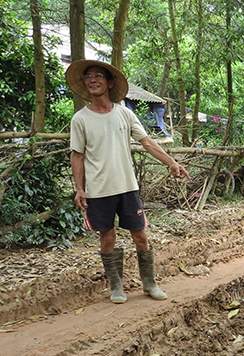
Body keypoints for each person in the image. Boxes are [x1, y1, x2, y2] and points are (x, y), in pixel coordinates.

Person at [66, 59, 190, 304]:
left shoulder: (125, 114)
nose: (92, 79)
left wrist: (172, 163)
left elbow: (147, 142)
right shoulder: (80, 119)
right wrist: (80, 189)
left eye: (98, 75)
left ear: (110, 83)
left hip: (127, 187)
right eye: (88, 76)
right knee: (107, 238)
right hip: (99, 191)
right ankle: (116, 286)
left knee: (140, 236)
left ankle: (150, 283)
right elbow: (77, 154)